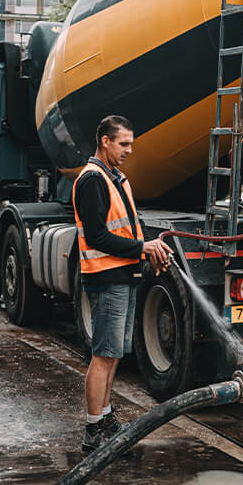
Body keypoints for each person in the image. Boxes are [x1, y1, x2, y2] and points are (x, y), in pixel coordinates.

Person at [73, 114, 172, 453]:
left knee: (114, 355)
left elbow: (125, 228)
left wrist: (147, 253)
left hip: (123, 274)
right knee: (103, 355)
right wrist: (142, 248)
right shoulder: (93, 180)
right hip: (106, 277)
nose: (130, 150)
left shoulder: (115, 178)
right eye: (124, 143)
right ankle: (92, 430)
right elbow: (99, 236)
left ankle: (105, 416)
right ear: (105, 141)